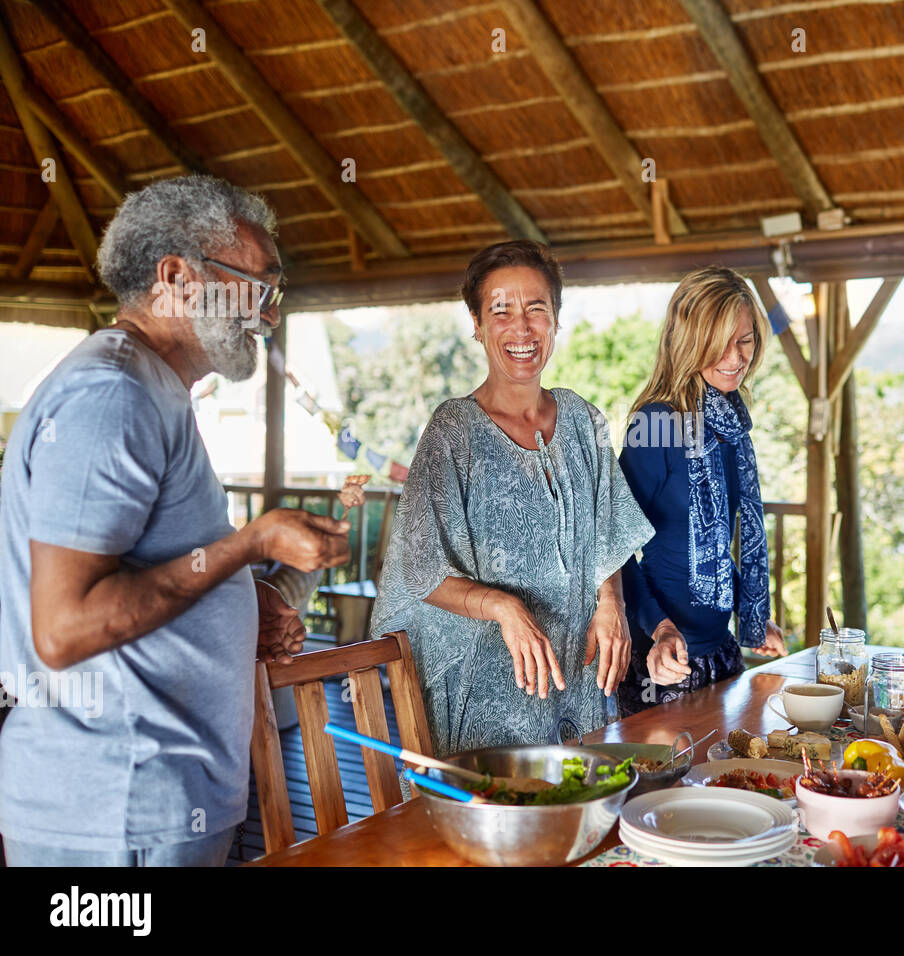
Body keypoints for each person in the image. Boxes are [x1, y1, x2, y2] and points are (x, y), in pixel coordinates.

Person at [0, 175, 351, 866]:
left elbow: (142, 572)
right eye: (259, 284)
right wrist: (247, 544)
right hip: (116, 809)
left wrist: (237, 600)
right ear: (176, 277)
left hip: (154, 802)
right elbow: (65, 628)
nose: (269, 315)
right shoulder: (112, 395)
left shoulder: (151, 390)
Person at [369, 240, 653, 755]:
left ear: (556, 322)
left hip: (581, 679)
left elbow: (609, 530)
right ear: (477, 325)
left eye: (536, 309)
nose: (521, 328)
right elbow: (420, 569)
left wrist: (610, 602)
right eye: (501, 310)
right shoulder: (452, 432)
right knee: (495, 824)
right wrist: (503, 607)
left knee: (582, 814)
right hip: (488, 692)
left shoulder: (584, 421)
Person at [616, 266, 787, 717]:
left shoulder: (730, 426)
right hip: (662, 661)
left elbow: (708, 546)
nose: (735, 357)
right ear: (690, 342)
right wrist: (661, 627)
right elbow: (614, 546)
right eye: (719, 344)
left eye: (745, 340)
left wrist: (752, 614)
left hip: (723, 654)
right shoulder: (653, 426)